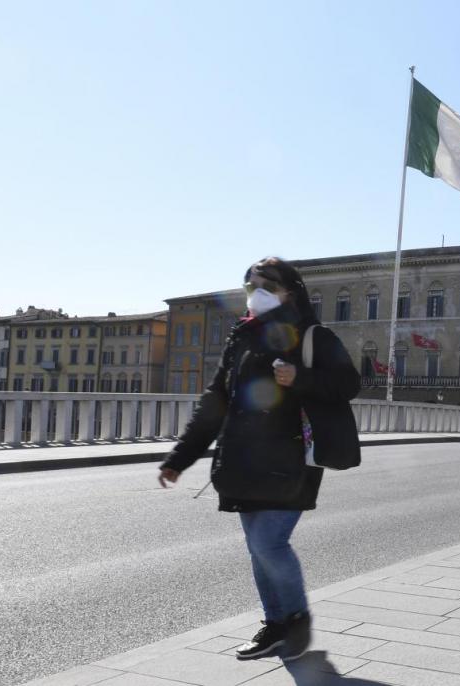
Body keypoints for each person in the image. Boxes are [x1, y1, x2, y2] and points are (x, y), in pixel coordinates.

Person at [157, 257, 360, 662]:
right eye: (251, 285)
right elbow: (215, 402)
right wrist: (180, 457)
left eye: (267, 284)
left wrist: (298, 379)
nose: (257, 292)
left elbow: (348, 383)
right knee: (258, 547)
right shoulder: (243, 337)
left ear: (291, 291)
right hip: (243, 461)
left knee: (269, 543)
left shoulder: (311, 334)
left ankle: (295, 619)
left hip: (291, 462)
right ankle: (275, 625)